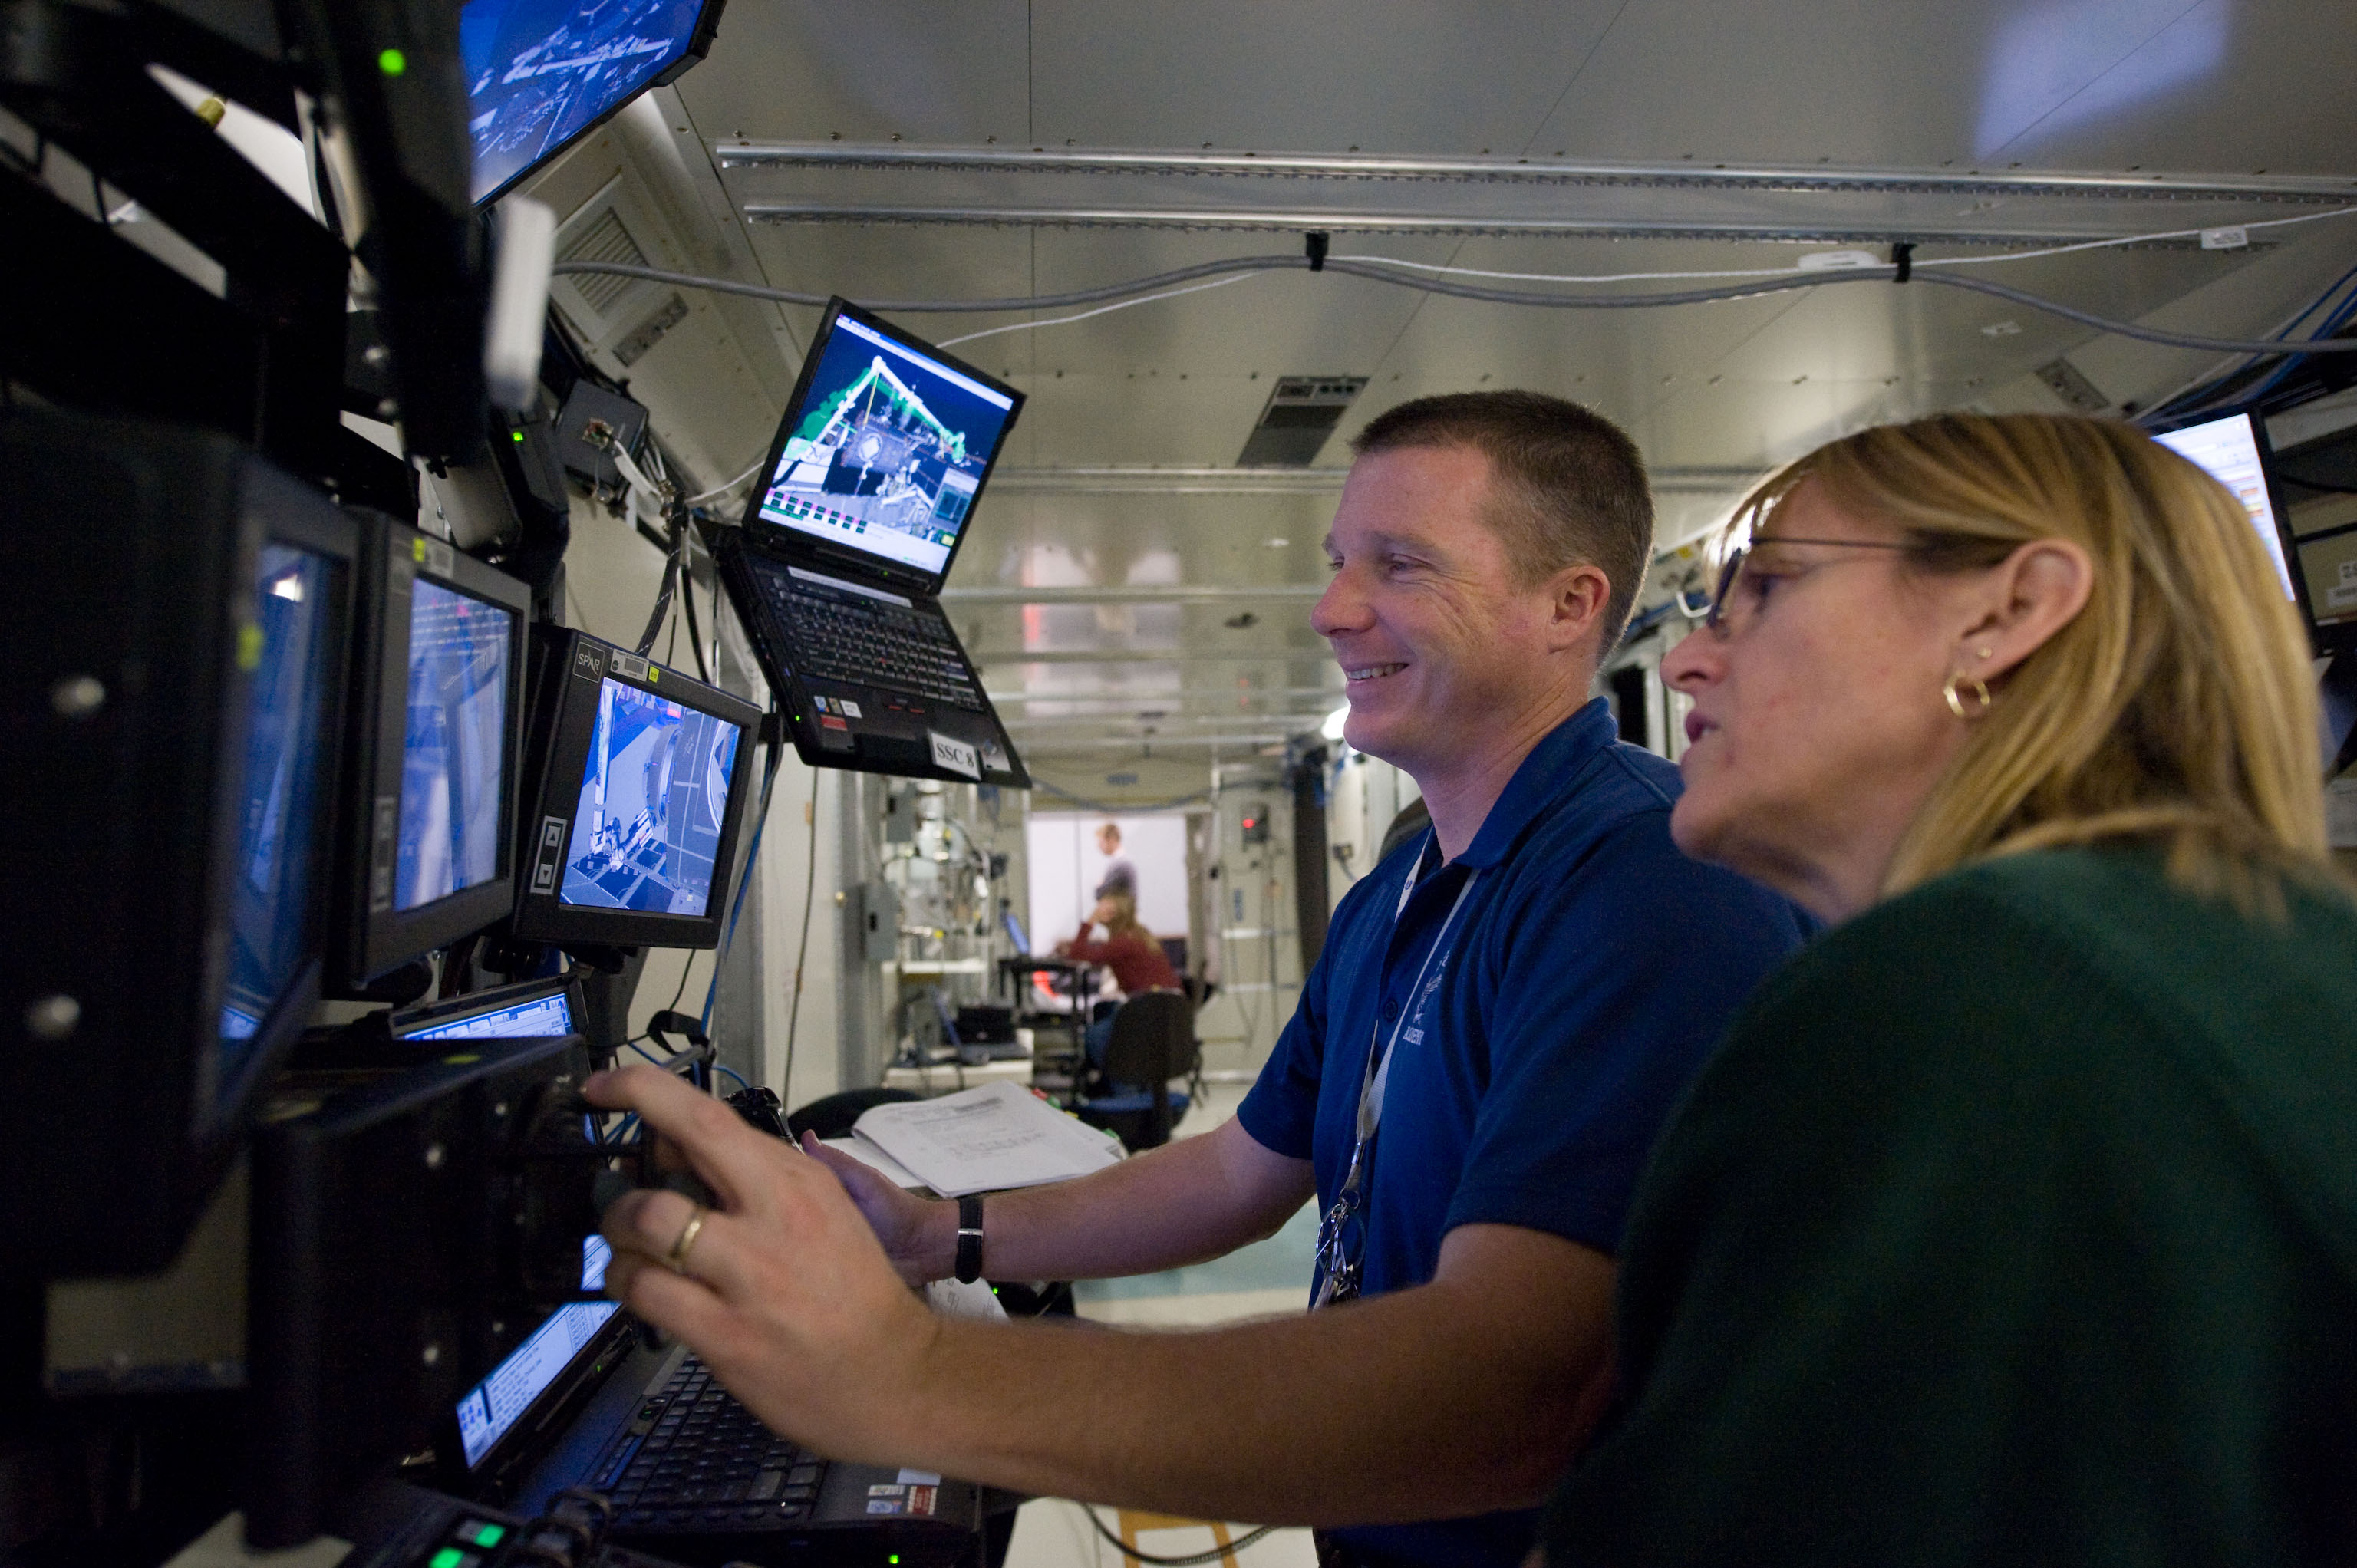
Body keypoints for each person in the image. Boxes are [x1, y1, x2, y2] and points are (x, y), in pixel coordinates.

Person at [588, 390, 1808, 1568]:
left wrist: (908, 1381)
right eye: (1339, 560)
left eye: (1400, 565)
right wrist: (933, 1235)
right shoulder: (1397, 894)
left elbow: (1508, 1397)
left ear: (1569, 605)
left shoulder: (1648, 878)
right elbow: (1239, 1172)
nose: (1333, 609)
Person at [1541, 412, 2357, 1565]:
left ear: (2006, 614)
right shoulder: (2260, 951)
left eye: (1765, 588)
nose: (1686, 660)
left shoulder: (1966, 988)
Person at [1092, 822, 1137, 902]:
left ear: (1111, 840)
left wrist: (1099, 886)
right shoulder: (1122, 863)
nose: (1099, 846)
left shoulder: (1120, 865)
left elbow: (1101, 893)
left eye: (1101, 842)